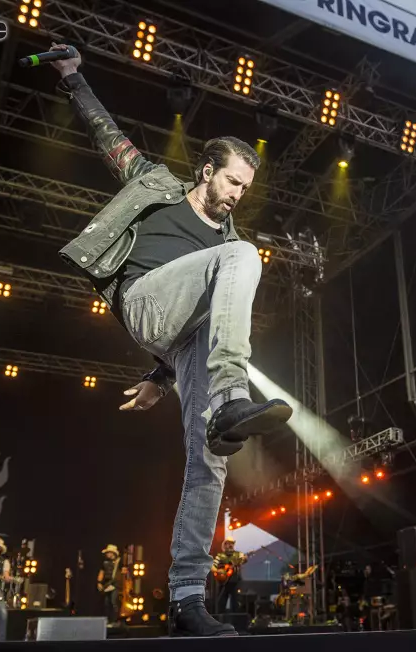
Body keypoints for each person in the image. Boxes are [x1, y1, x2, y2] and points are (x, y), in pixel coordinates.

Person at [48, 44, 293, 638]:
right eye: (233, 181)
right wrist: (74, 78)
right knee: (240, 255)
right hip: (143, 302)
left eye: (246, 188)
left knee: (211, 458)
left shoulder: (228, 240)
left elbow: (216, 312)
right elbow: (109, 138)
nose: (238, 195)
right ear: (208, 171)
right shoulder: (155, 184)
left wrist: (161, 379)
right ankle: (232, 394)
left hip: (181, 345)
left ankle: (187, 599)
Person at [211, 538, 247, 614]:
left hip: (236, 581)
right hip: (223, 583)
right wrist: (218, 571)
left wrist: (244, 559)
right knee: (221, 603)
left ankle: (236, 622)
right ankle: (220, 621)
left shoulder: (238, 554)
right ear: (225, 545)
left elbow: (243, 560)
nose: (231, 545)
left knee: (236, 603)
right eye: (229, 543)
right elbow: (213, 566)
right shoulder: (220, 556)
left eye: (232, 543)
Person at [97, 545, 122, 625]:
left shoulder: (119, 562)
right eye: (107, 552)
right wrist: (99, 582)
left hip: (115, 585)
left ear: (113, 553)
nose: (107, 554)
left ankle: (115, 620)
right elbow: (102, 572)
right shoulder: (105, 562)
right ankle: (108, 620)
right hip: (107, 584)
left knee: (113, 601)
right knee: (106, 603)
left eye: (108, 552)